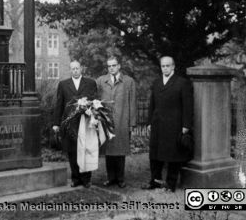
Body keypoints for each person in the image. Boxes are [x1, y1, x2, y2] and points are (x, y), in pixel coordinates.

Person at [144, 56, 193, 192]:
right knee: (155, 155)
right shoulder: (157, 82)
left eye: (167, 65)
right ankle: (155, 181)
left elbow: (188, 106)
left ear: (173, 66)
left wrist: (186, 125)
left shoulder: (182, 83)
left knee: (173, 155)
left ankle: (170, 184)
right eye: (163, 66)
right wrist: (149, 122)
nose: (165, 68)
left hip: (175, 125)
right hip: (158, 124)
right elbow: (152, 104)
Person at [53, 60, 97, 188]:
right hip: (70, 123)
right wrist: (56, 123)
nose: (75, 71)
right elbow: (59, 104)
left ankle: (86, 179)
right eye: (73, 69)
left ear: (81, 69)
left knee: (86, 150)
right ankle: (75, 178)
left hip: (86, 122)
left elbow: (95, 101)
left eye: (77, 68)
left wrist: (95, 117)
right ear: (70, 70)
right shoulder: (63, 84)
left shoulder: (90, 83)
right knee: (72, 151)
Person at [96, 55, 137, 188]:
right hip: (106, 120)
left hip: (122, 121)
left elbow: (132, 103)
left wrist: (131, 123)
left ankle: (120, 178)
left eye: (114, 65)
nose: (111, 68)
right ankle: (110, 178)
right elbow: (95, 99)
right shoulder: (101, 81)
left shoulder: (129, 81)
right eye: (109, 66)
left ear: (119, 66)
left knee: (120, 151)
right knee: (108, 151)